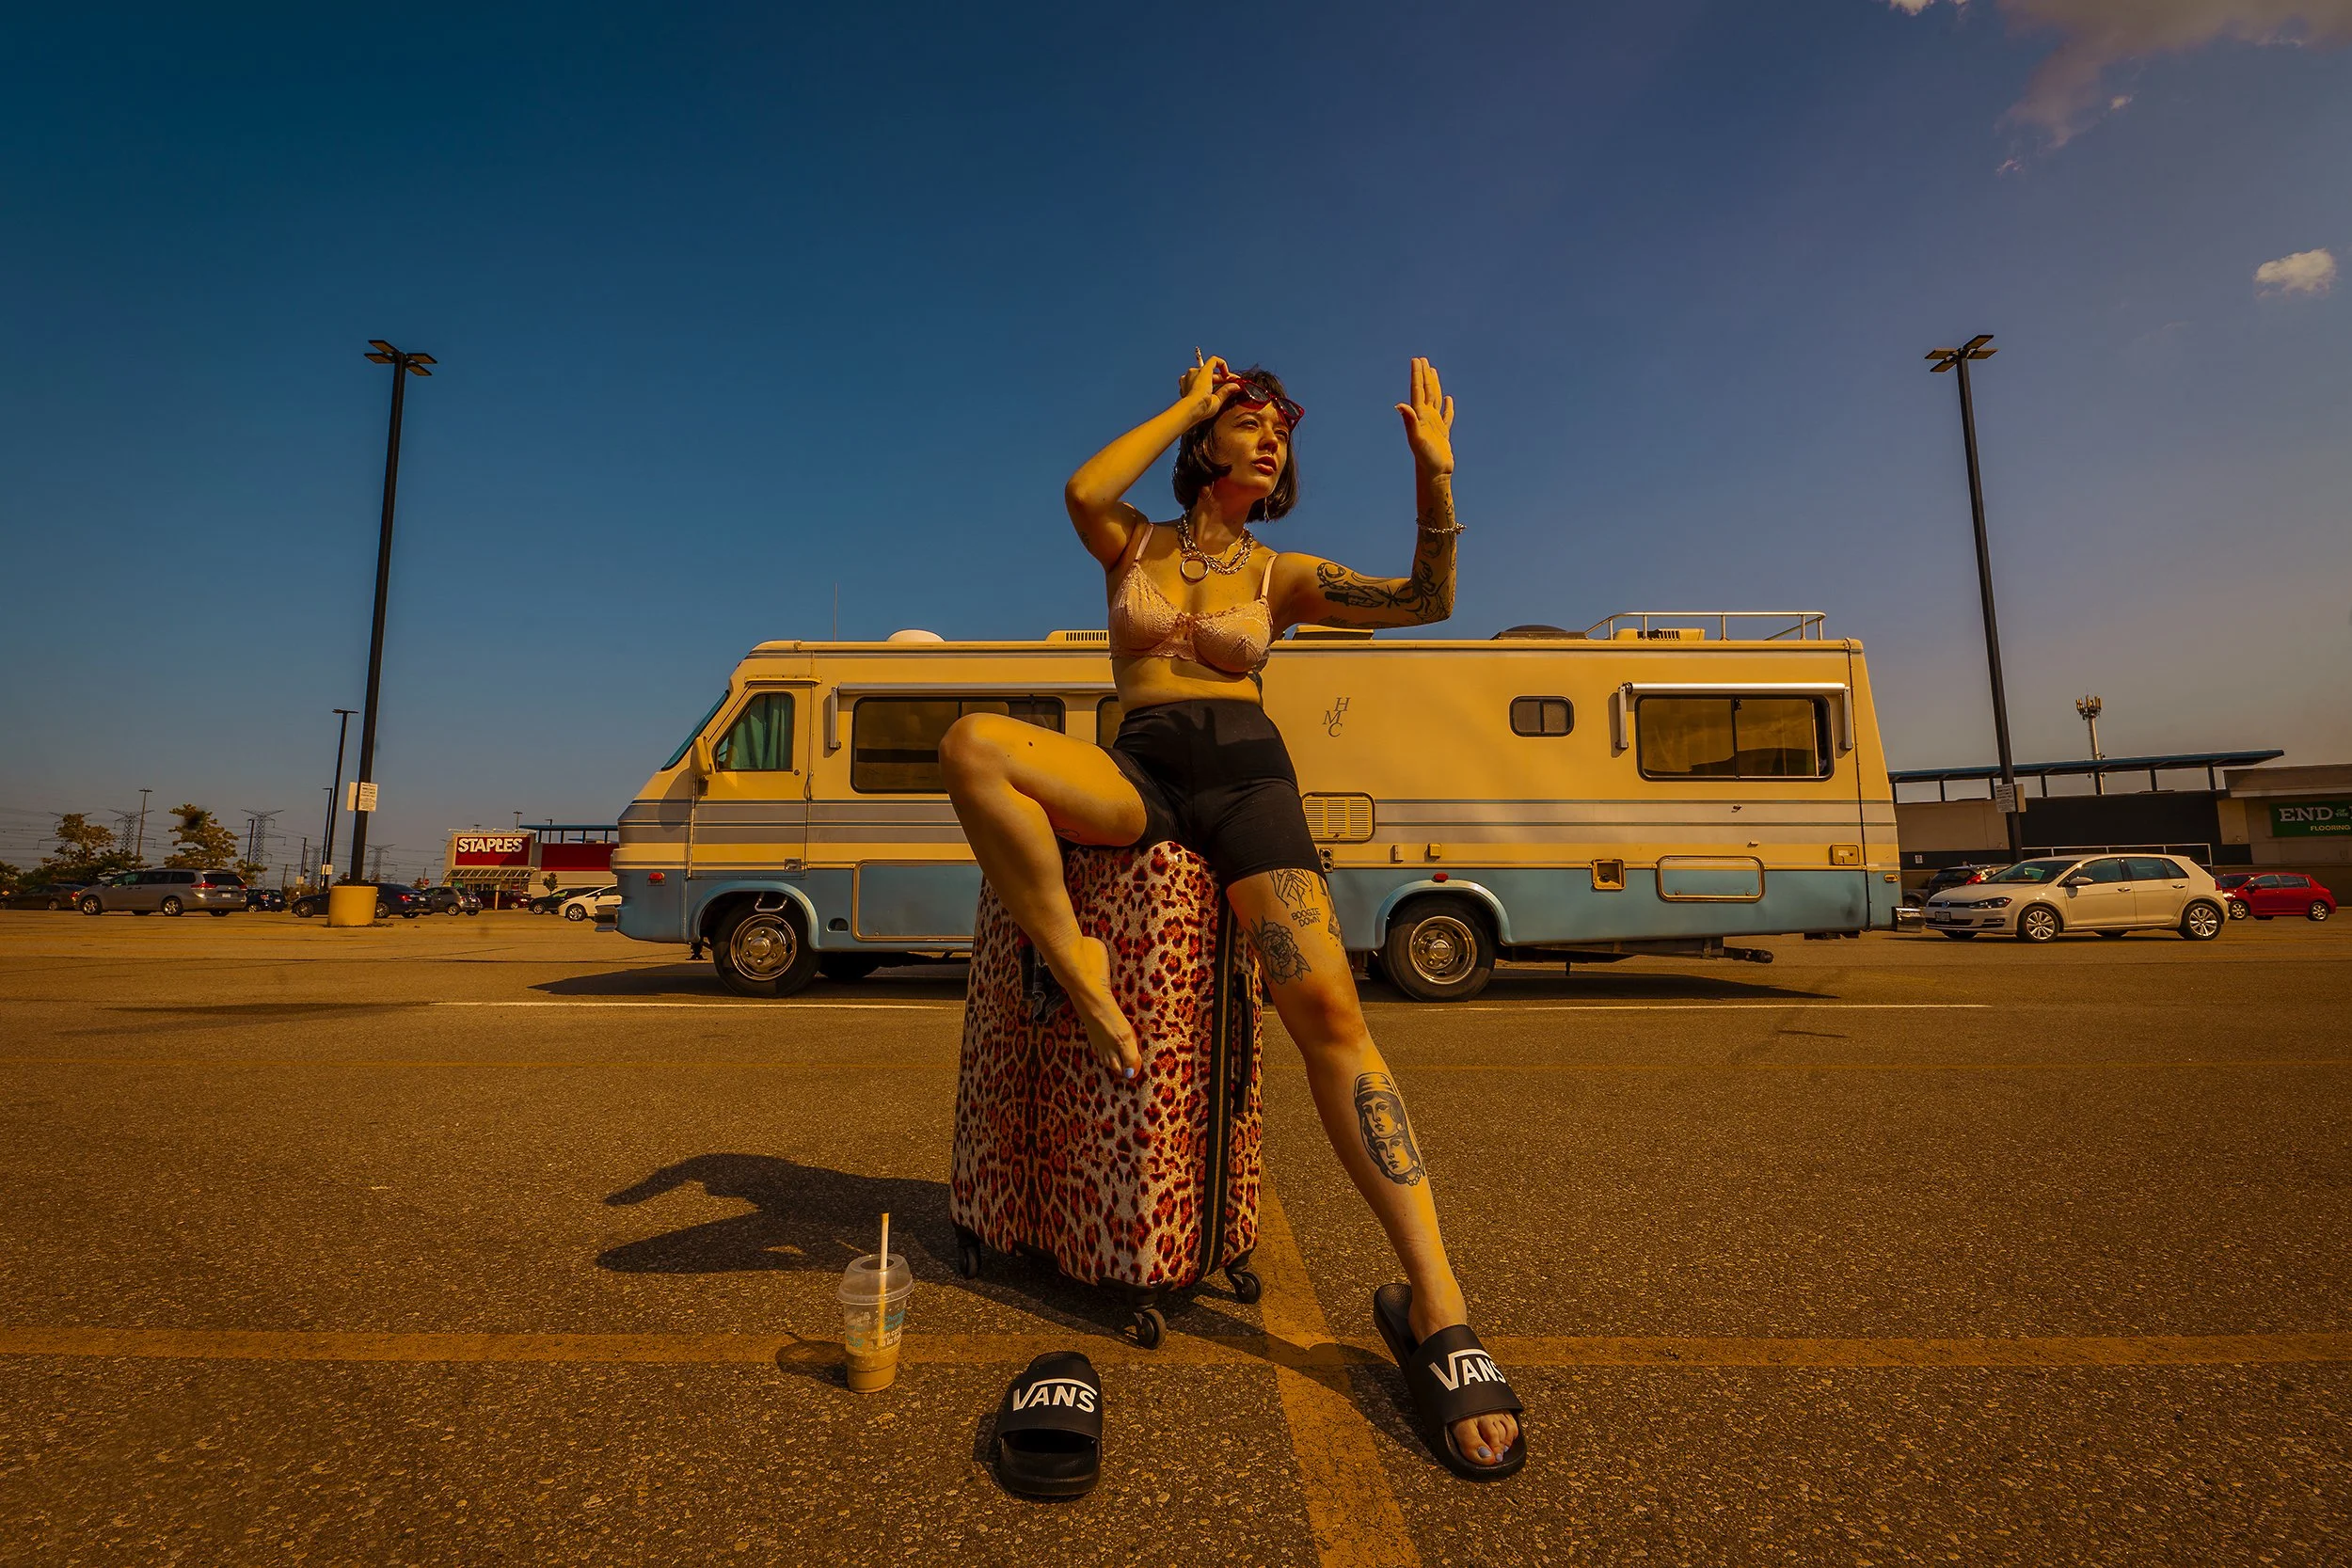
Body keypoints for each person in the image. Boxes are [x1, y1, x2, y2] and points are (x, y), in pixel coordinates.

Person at [940, 353, 1522, 1476]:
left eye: (1279, 433)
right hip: (1142, 768)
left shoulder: (1282, 572)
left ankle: (1436, 1302)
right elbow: (1080, 489)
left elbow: (1425, 600)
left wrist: (1433, 476)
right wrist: (1188, 404)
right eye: (1247, 425)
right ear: (1204, 444)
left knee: (1333, 1025)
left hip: (1250, 783)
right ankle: (1077, 964)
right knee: (972, 744)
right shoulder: (1135, 545)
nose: (1270, 442)